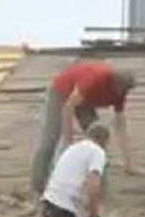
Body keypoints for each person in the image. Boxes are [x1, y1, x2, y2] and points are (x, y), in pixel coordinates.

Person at [31, 59, 136, 197]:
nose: (118, 93)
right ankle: (39, 186)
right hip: (61, 92)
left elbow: (120, 125)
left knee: (98, 138)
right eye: (117, 89)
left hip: (86, 99)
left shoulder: (120, 93)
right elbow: (68, 108)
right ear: (112, 82)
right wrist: (69, 142)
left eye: (123, 91)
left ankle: (99, 187)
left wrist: (127, 160)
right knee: (50, 138)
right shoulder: (95, 78)